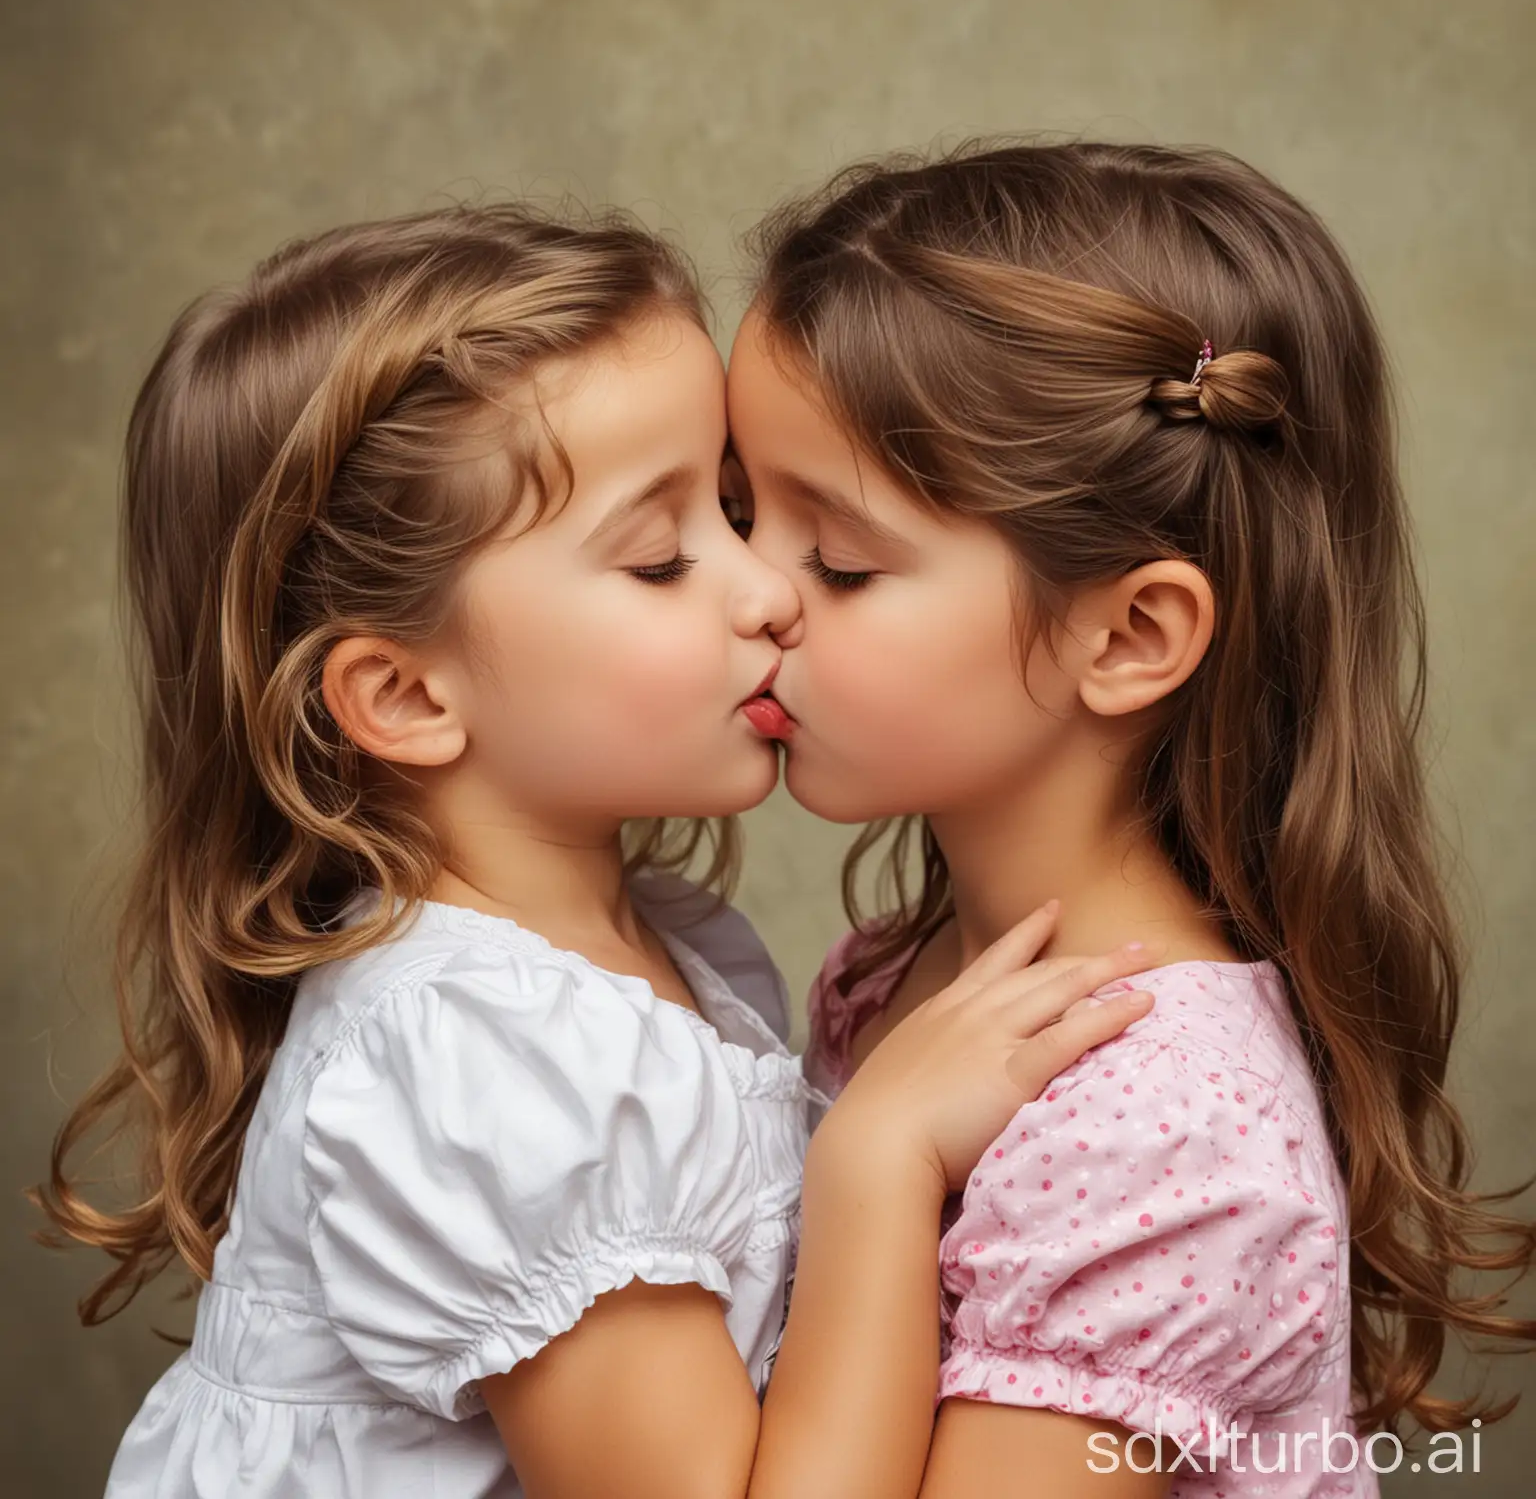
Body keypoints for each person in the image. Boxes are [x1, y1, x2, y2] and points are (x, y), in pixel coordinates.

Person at [34, 200, 1153, 1498]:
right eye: (662, 557)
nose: (768, 587)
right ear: (403, 696)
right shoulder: (489, 1066)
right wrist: (879, 1154)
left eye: (734, 511)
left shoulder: (638, 950)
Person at [727, 139, 1536, 1497]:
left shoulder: (1164, 1134)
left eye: (843, 560)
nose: (746, 594)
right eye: (737, 511)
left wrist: (872, 1169)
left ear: (1131, 634)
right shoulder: (897, 979)